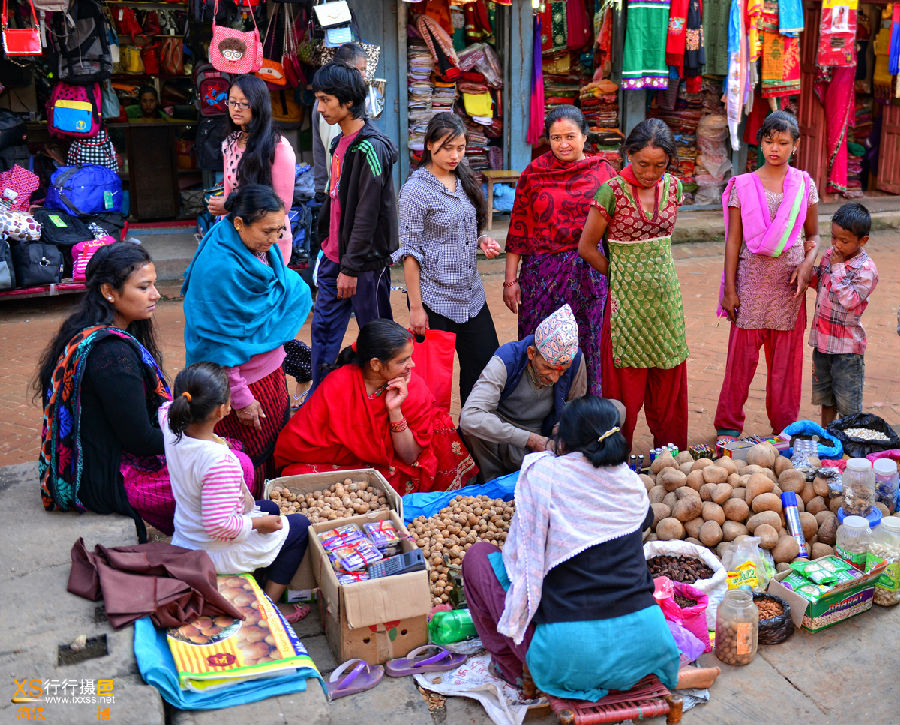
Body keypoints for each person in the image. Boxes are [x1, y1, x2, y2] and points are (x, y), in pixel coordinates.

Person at [461, 396, 680, 698]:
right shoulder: (631, 484)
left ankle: (512, 669)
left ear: (563, 442)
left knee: (478, 557)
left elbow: (523, 562)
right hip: (647, 650)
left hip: (568, 660)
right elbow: (642, 520)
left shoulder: (544, 476)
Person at [35, 243, 249, 540]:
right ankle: (213, 541)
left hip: (103, 459)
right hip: (105, 478)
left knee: (225, 456)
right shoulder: (112, 356)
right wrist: (201, 441)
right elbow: (140, 439)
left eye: (154, 285)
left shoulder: (93, 332)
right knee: (236, 465)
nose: (156, 294)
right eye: (144, 287)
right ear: (109, 292)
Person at [182, 185, 313, 492]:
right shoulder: (218, 269)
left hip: (270, 373)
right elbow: (217, 345)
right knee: (246, 462)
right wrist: (241, 399)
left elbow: (283, 284)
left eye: (279, 231)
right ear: (239, 223)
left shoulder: (254, 247)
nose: (274, 239)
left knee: (273, 449)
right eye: (268, 231)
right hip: (242, 384)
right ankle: (246, 511)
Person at [162, 362, 310, 620]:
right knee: (299, 526)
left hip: (187, 529)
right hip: (211, 550)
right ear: (223, 410)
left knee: (271, 508)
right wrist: (259, 523)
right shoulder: (219, 462)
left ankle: (255, 577)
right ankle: (268, 608)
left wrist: (261, 520)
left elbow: (164, 407)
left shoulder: (169, 423)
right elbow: (219, 526)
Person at [578, 118, 689, 450]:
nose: (650, 173)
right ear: (629, 155)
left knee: (668, 379)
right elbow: (587, 247)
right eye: (643, 164)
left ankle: (671, 458)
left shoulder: (675, 188)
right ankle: (616, 459)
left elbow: (663, 241)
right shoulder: (611, 192)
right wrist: (620, 276)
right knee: (624, 386)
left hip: (666, 302)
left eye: (659, 165)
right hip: (625, 306)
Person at [274, 319, 478, 495]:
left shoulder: (414, 389)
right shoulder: (339, 383)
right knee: (294, 475)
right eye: (403, 360)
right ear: (375, 364)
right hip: (345, 464)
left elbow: (409, 456)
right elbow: (302, 441)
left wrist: (395, 411)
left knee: (394, 481)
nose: (412, 365)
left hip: (390, 464)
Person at [713, 110, 820, 442]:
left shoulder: (805, 185)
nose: (775, 148)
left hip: (790, 286)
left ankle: (784, 428)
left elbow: (814, 236)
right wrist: (730, 289)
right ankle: (728, 424)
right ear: (760, 142)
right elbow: (733, 241)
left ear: (795, 145)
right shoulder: (742, 185)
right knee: (740, 361)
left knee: (786, 365)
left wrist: (808, 263)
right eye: (769, 141)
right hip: (750, 283)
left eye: (783, 142)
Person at [503, 106, 616, 396]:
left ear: (585, 137)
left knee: (588, 343)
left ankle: (584, 408)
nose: (563, 144)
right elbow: (519, 228)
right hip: (541, 277)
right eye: (556, 138)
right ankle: (534, 408)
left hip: (589, 274)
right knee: (539, 343)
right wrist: (510, 280)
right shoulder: (534, 174)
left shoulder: (603, 172)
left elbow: (616, 227)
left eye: (570, 136)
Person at [397, 112, 501, 407]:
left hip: (471, 295)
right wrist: (416, 309)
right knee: (434, 381)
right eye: (447, 147)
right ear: (429, 145)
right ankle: (436, 434)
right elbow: (410, 253)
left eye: (461, 148)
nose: (455, 155)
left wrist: (482, 240)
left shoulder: (463, 178)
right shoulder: (415, 190)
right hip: (434, 298)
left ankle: (473, 429)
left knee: (485, 368)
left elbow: (469, 225)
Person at [310, 62, 399, 389]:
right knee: (322, 334)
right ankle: (320, 400)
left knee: (378, 339)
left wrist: (350, 267)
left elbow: (367, 213)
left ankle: (386, 402)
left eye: (325, 100)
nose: (320, 108)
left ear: (348, 102)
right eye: (318, 100)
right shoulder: (338, 144)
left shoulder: (371, 148)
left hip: (363, 266)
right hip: (333, 259)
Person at [459, 305, 587, 483]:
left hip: (544, 441)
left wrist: (561, 431)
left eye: (562, 371)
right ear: (532, 353)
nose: (554, 378)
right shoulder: (507, 359)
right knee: (475, 426)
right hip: (501, 438)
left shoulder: (575, 361)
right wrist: (531, 440)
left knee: (614, 411)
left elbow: (575, 407)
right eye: (548, 368)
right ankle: (492, 481)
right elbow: (469, 417)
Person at [206, 74, 296, 262]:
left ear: (258, 105)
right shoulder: (230, 143)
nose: (236, 108)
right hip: (236, 237)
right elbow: (229, 193)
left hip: (270, 240)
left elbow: (283, 206)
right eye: (232, 102)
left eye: (244, 103)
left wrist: (229, 205)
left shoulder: (278, 147)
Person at [809, 202, 878, 426]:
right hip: (823, 344)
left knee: (848, 407)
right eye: (833, 237)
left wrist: (838, 267)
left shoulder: (866, 270)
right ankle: (828, 437)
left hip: (847, 351)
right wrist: (805, 264)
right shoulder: (830, 255)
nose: (836, 245)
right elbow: (820, 282)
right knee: (826, 399)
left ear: (862, 241)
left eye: (844, 241)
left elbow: (850, 300)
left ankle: (847, 442)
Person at [312, 43, 369, 200]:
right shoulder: (330, 105)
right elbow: (333, 151)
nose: (364, 75)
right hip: (334, 191)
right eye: (360, 69)